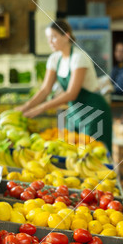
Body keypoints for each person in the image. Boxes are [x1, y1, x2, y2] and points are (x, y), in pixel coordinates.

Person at [17, 19, 112, 151]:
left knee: (94, 154)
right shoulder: (54, 59)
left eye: (54, 37)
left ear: (66, 36)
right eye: (48, 38)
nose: (50, 42)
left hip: (93, 112)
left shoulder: (79, 58)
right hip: (75, 112)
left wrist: (40, 108)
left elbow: (71, 94)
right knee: (71, 152)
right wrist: (25, 107)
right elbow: (45, 90)